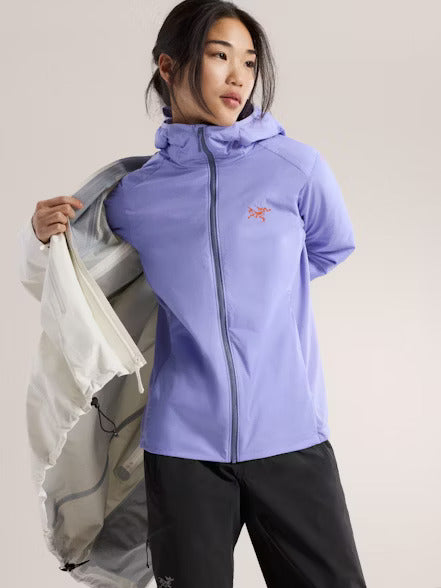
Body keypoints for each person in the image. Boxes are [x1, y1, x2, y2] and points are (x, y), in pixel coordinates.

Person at [31, 1, 367, 586]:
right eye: (219, 56)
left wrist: (259, 297)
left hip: (291, 437)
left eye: (249, 62)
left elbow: (331, 246)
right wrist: (39, 236)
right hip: (183, 451)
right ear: (169, 66)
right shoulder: (135, 195)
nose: (239, 77)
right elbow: (65, 281)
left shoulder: (295, 168)